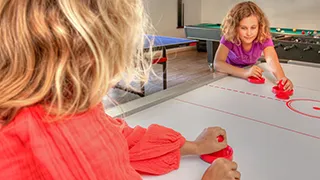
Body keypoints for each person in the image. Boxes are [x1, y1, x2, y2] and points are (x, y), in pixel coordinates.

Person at [0, 0, 240, 179]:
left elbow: (118, 137)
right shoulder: (59, 139)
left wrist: (194, 147)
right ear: (93, 56)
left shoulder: (62, 98)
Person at [214, 1, 293, 91]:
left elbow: (271, 59)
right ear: (235, 27)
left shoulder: (263, 36)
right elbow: (217, 64)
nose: (249, 33)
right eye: (243, 28)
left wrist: (282, 78)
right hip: (227, 74)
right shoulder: (229, 37)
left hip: (249, 73)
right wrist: (245, 73)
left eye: (253, 27)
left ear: (260, 26)